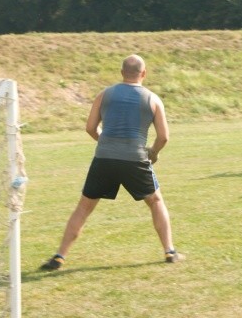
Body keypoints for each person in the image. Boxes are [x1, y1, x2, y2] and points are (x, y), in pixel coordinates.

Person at [40, 54, 184, 270]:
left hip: (104, 157)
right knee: (155, 202)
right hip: (135, 158)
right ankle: (169, 252)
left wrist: (106, 141)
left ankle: (59, 256)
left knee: (84, 207)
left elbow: (90, 128)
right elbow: (163, 137)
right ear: (143, 73)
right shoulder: (152, 99)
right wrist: (153, 153)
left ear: (121, 73)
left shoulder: (104, 94)